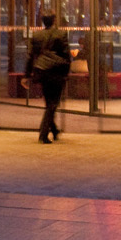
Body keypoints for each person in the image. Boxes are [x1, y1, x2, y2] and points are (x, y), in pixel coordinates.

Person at [27, 12, 72, 143]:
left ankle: (55, 130)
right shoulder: (61, 34)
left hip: (42, 71)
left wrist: (27, 74)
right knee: (53, 104)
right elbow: (66, 55)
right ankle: (43, 134)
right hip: (56, 72)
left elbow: (31, 56)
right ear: (53, 20)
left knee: (49, 103)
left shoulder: (36, 35)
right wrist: (66, 73)